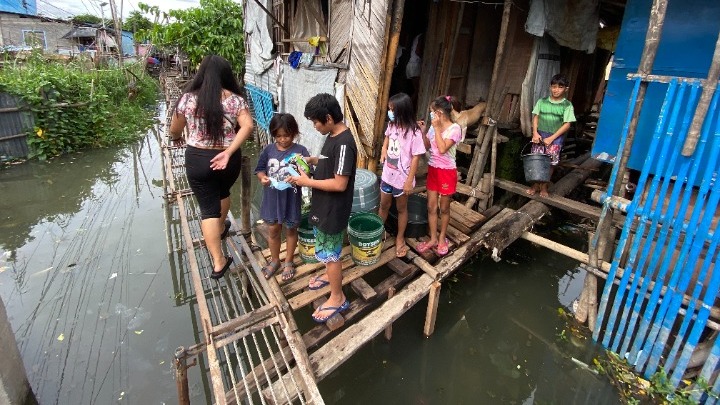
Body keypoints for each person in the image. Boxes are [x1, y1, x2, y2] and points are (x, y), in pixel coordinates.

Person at [169, 55, 253, 279]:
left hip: (197, 159)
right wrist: (227, 151)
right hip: (228, 159)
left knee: (208, 209)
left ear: (201, 74)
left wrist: (176, 137)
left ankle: (218, 262)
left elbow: (174, 130)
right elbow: (247, 126)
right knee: (223, 191)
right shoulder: (235, 100)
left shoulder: (187, 99)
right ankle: (220, 227)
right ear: (226, 74)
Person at [287, 93, 358, 323]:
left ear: (328, 118)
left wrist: (306, 182)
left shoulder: (345, 142)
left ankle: (337, 297)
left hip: (333, 210)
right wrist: (312, 161)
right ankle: (330, 275)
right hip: (324, 206)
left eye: (316, 122)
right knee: (328, 251)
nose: (315, 126)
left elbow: (340, 183)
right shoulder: (333, 135)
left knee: (331, 254)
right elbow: (331, 161)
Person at [255, 113, 310, 282]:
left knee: (291, 229)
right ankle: (275, 260)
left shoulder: (300, 151)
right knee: (273, 229)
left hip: (291, 197)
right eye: (278, 136)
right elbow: (260, 169)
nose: (283, 139)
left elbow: (306, 173)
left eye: (286, 136)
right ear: (274, 135)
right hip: (272, 197)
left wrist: (300, 177)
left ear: (294, 134)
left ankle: (288, 261)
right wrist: (263, 178)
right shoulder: (268, 150)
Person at [377, 93, 426, 258]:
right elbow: (386, 141)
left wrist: (408, 181)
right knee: (383, 206)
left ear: (402, 111)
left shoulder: (415, 133)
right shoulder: (392, 125)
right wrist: (383, 151)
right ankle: (377, 234)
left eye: (392, 109)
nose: (390, 112)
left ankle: (399, 238)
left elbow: (415, 158)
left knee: (401, 209)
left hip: (401, 179)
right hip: (387, 176)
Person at [416, 96, 462, 257]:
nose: (431, 115)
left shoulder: (455, 129)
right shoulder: (433, 127)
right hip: (433, 169)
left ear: (440, 113)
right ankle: (433, 239)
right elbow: (427, 146)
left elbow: (442, 149)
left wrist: (435, 128)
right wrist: (423, 132)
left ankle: (442, 238)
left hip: (447, 172)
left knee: (444, 208)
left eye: (432, 113)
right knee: (431, 206)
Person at [526, 74, 576, 198]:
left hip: (555, 137)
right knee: (536, 161)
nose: (556, 90)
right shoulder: (542, 101)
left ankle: (544, 186)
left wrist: (552, 138)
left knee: (551, 163)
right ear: (550, 87)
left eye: (560, 87)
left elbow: (567, 124)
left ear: (566, 89)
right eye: (553, 86)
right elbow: (536, 117)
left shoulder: (567, 105)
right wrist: (535, 133)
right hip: (540, 134)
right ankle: (535, 185)